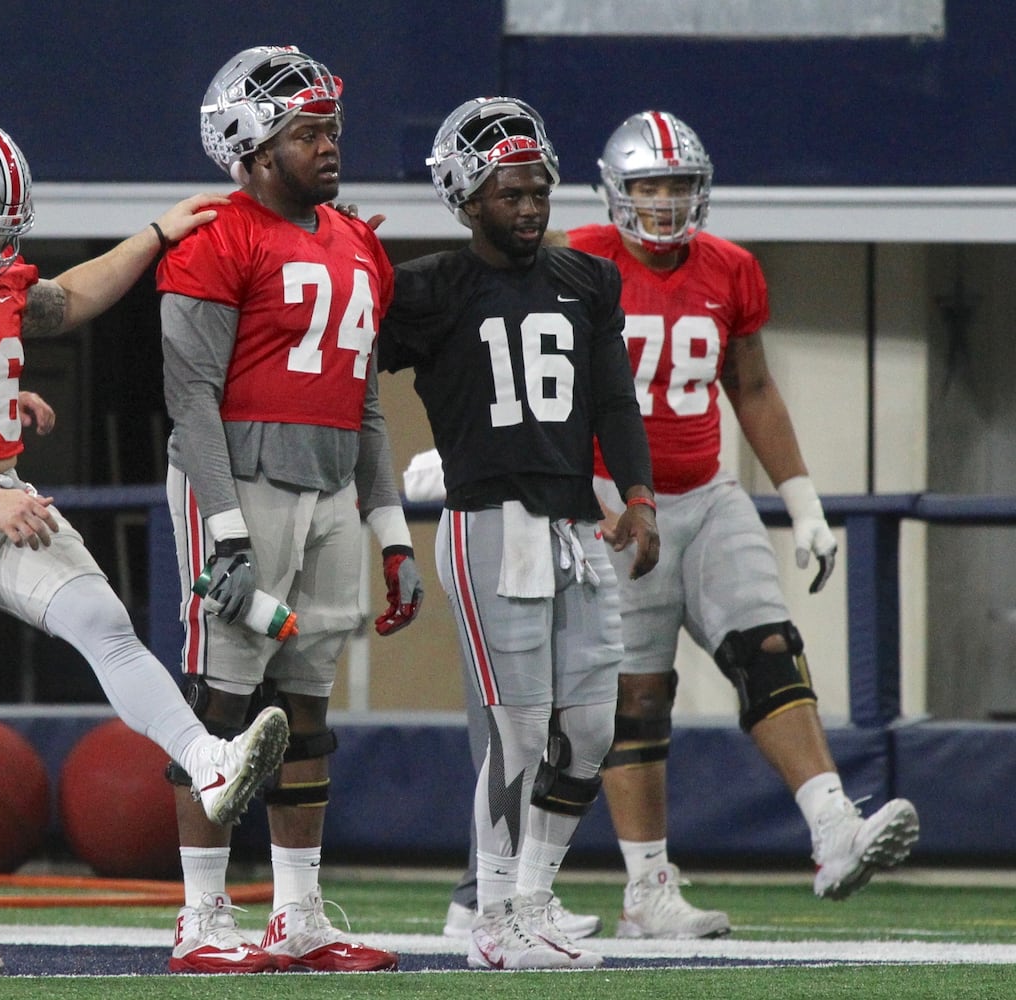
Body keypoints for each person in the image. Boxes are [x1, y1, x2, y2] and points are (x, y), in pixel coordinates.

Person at [0, 116, 290, 977]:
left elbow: (64, 300)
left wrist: (153, 237)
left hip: (0, 490)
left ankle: (208, 761)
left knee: (104, 622)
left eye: (2, 233)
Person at [518, 110, 915, 938]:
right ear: (616, 191)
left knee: (768, 647)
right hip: (609, 501)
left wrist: (802, 502)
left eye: (677, 186)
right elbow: (533, 378)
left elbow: (754, 388)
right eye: (648, 186)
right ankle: (648, 888)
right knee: (636, 698)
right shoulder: (575, 260)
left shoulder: (731, 268)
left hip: (707, 492)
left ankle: (833, 826)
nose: (663, 203)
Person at [156, 45, 422, 975]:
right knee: (220, 704)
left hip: (329, 489)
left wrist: (392, 532)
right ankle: (201, 917)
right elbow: (190, 400)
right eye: (306, 133)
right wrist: (224, 526)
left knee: (306, 705)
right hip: (242, 484)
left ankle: (299, 915)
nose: (328, 146)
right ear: (254, 147)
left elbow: (370, 405)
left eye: (330, 130)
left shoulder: (358, 243)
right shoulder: (215, 235)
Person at [380, 97, 660, 970]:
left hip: (574, 519)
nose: (531, 207)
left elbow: (613, 396)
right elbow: (346, 371)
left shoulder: (586, 281)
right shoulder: (428, 289)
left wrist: (640, 495)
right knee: (518, 729)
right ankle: (492, 915)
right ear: (468, 198)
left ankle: (532, 896)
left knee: (589, 728)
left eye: (538, 189)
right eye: (510, 193)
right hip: (487, 519)